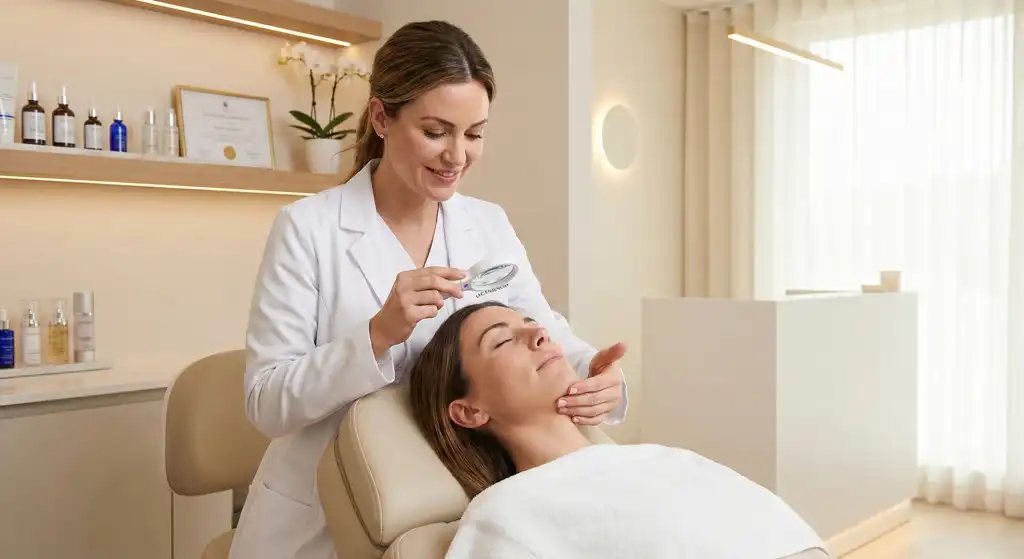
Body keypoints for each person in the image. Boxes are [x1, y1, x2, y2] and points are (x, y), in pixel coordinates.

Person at [232, 20, 629, 559]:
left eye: (475, 133)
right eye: (437, 131)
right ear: (381, 117)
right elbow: (265, 403)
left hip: (447, 503)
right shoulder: (308, 229)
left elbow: (544, 329)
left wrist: (595, 378)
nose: (457, 156)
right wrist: (376, 336)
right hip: (324, 521)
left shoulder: (487, 225)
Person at [408, 301, 830, 559]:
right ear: (468, 412)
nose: (539, 333)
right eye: (501, 341)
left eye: (530, 323)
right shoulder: (506, 513)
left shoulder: (660, 458)